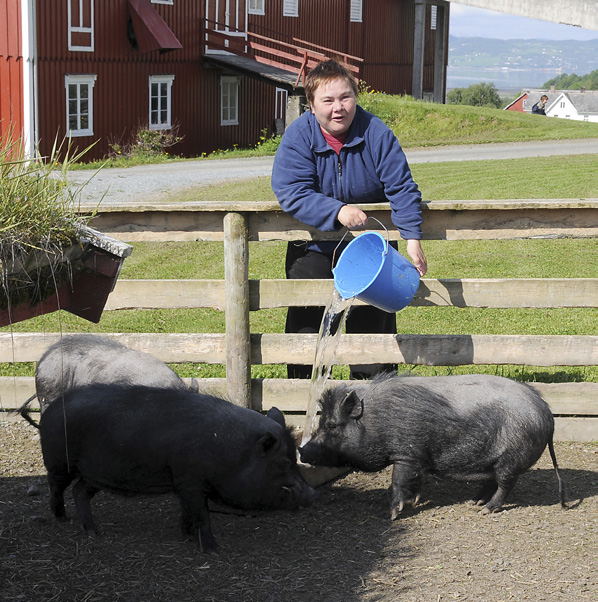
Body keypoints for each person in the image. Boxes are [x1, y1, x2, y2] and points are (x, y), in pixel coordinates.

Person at [271, 59, 427, 379]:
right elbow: (290, 190)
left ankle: (374, 410)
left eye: (345, 97)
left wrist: (412, 239)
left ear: (355, 97)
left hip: (371, 252)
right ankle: (302, 407)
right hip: (313, 248)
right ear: (311, 105)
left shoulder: (375, 132)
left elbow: (402, 186)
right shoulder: (299, 136)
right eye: (327, 100)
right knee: (306, 331)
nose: (338, 108)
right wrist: (336, 211)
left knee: (372, 333)